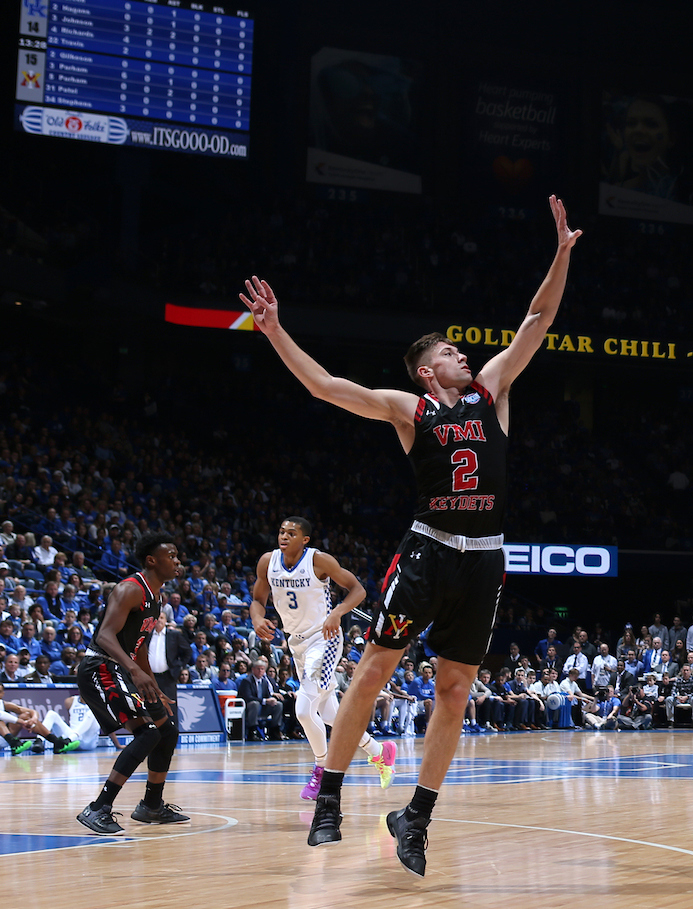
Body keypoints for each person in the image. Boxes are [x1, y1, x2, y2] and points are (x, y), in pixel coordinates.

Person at [241, 194, 581, 875]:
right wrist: (274, 329)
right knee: (373, 668)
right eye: (453, 351)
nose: (466, 354)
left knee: (455, 689)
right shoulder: (411, 407)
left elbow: (537, 319)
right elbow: (325, 386)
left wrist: (561, 253)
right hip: (426, 549)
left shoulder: (492, 391)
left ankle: (417, 815)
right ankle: (330, 796)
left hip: (483, 559)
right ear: (430, 370)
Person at [250, 516, 394, 798]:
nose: (284, 536)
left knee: (304, 709)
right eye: (281, 531)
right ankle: (380, 751)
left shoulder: (319, 560)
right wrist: (256, 618)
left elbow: (358, 589)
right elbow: (258, 599)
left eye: (291, 533)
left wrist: (337, 613)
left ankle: (320, 770)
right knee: (330, 714)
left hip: (324, 639)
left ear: (305, 539)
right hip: (296, 643)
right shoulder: (268, 561)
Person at [74, 532, 189, 834]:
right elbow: (104, 636)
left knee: (167, 731)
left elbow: (138, 649)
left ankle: (151, 806)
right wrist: (134, 673)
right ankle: (98, 807)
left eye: (178, 556)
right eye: (171, 556)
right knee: (148, 734)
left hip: (122, 669)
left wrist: (152, 685)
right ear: (152, 560)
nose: (177, 561)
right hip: (100, 667)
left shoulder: (156, 596)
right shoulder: (130, 589)